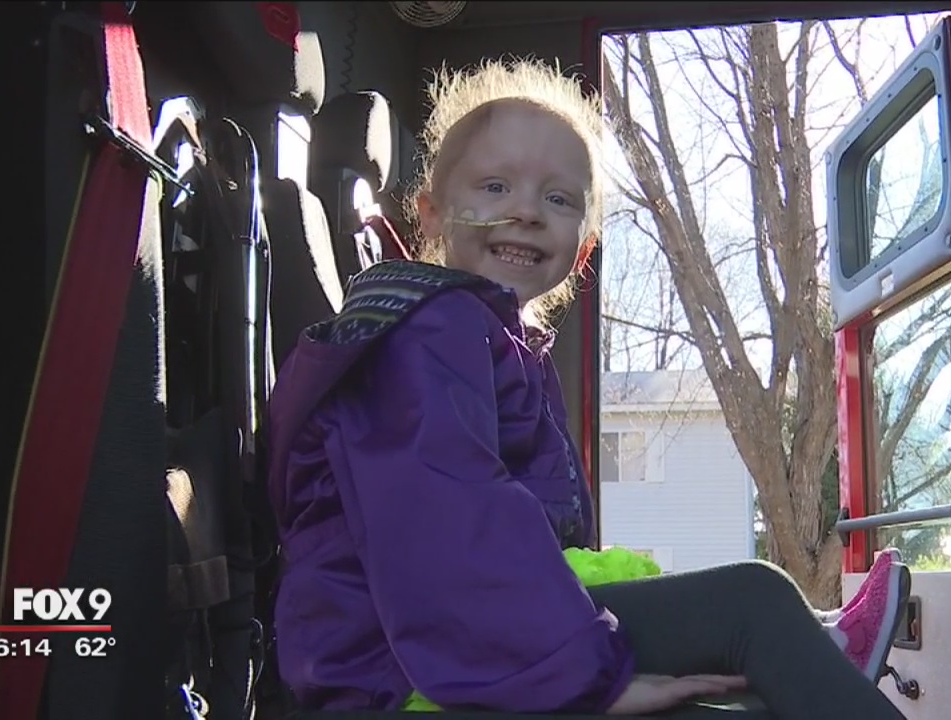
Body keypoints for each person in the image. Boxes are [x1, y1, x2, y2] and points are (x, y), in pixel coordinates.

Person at [266, 58, 909, 719]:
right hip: (397, 666)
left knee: (728, 678)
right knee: (755, 603)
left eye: (558, 199)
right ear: (431, 218)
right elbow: (448, 523)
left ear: (581, 248)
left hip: (444, 640)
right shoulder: (430, 330)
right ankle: (819, 662)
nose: (525, 211)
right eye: (493, 186)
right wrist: (586, 678)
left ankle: (814, 663)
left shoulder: (495, 341)